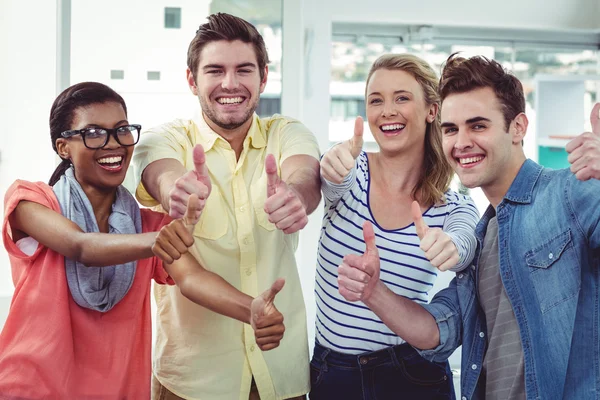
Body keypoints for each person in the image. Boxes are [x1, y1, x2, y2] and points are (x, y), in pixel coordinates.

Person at [0, 81, 286, 399]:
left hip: (117, 390)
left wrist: (251, 309)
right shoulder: (31, 201)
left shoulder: (147, 225)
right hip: (31, 388)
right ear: (63, 147)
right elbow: (80, 246)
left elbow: (192, 277)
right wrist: (154, 240)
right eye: (93, 133)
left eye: (122, 129)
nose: (114, 144)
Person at [338, 54, 600, 400]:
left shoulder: (571, 192)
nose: (461, 142)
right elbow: (437, 332)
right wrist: (373, 293)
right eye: (450, 129)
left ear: (518, 127)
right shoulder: (482, 238)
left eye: (478, 126)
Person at [131, 13, 321, 400]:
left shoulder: (287, 133)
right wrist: (175, 192)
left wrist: (296, 197)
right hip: (192, 382)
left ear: (263, 77)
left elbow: (304, 174)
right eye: (215, 70)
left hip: (281, 377)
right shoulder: (164, 139)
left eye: (244, 70)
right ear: (192, 80)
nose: (230, 84)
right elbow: (161, 175)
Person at [312, 53, 479, 400]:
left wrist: (449, 247)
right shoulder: (350, 172)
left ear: (432, 110)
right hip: (333, 375)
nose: (387, 110)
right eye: (376, 100)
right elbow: (332, 178)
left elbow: (465, 243)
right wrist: (331, 164)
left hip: (411, 375)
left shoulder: (454, 206)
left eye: (401, 98)